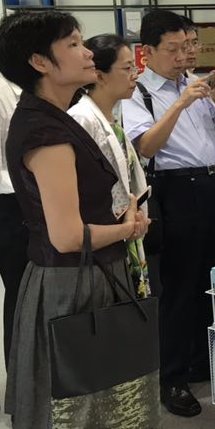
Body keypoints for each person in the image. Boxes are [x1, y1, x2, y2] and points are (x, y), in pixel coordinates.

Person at [0, 10, 152, 429]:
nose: (87, 53)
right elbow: (66, 236)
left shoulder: (54, 117)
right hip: (76, 280)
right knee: (87, 422)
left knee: (102, 416)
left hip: (88, 273)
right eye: (72, 44)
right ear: (39, 62)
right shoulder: (45, 130)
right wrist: (127, 229)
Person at [122, 9, 215, 418]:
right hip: (172, 190)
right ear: (147, 51)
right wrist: (182, 103)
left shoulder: (196, 83)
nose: (183, 55)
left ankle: (201, 361)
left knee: (208, 279)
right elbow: (146, 146)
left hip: (209, 185)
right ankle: (170, 376)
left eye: (187, 45)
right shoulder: (138, 92)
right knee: (176, 286)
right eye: (173, 48)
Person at [68, 34, 151, 299]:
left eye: (134, 67)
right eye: (127, 68)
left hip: (123, 232)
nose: (134, 75)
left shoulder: (111, 120)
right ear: (100, 76)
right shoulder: (82, 119)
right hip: (102, 237)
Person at [0, 69, 28, 370]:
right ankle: (21, 385)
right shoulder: (1, 91)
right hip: (9, 200)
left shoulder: (18, 85)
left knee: (22, 295)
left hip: (18, 198)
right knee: (20, 294)